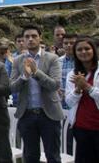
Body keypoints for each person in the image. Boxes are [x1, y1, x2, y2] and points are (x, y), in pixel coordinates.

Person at [10, 25, 63, 163]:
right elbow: (12, 88)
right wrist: (24, 77)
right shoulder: (17, 60)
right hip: (26, 114)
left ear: (40, 38)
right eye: (27, 37)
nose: (30, 39)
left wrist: (36, 72)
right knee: (31, 156)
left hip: (49, 114)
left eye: (34, 36)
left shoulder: (52, 58)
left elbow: (55, 85)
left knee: (53, 156)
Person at [65, 37, 99, 163]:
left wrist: (87, 87)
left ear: (94, 50)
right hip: (81, 127)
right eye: (79, 50)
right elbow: (69, 101)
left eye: (87, 48)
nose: (83, 52)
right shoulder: (72, 74)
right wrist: (78, 89)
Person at [59, 33, 77, 109]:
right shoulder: (57, 62)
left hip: (77, 103)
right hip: (60, 104)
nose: (68, 45)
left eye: (72, 43)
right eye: (66, 43)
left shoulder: (83, 62)